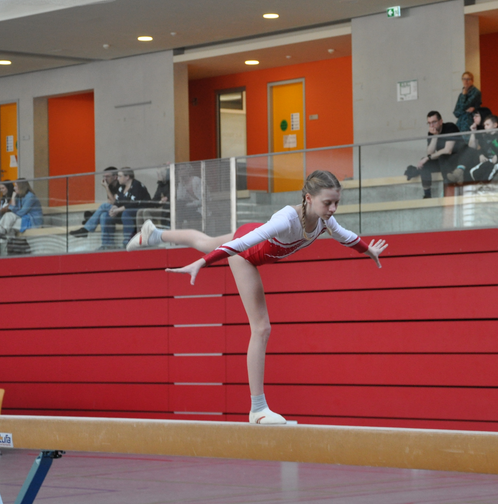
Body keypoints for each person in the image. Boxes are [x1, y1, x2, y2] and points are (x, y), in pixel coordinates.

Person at [126, 170, 388, 425]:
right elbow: (239, 246)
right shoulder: (286, 219)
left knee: (206, 242)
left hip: (249, 240)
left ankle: (153, 234)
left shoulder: (325, 221)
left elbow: (346, 237)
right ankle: (258, 408)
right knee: (261, 328)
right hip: (244, 253)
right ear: (308, 198)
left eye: (336, 203)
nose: (333, 209)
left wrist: (369, 251)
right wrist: (203, 263)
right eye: (327, 203)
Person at [416, 111, 465, 198]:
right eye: (429, 123)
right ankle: (427, 195)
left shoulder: (450, 127)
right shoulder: (431, 132)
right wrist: (435, 136)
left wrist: (428, 157)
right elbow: (430, 153)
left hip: (456, 159)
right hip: (443, 162)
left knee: (442, 156)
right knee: (425, 163)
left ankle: (447, 186)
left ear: (441, 121)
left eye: (434, 122)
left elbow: (448, 150)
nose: (432, 125)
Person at [101, 168, 151, 248]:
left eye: (120, 176)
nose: (118, 178)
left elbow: (133, 204)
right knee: (106, 216)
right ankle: (107, 245)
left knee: (126, 213)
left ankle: (128, 242)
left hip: (140, 212)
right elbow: (117, 202)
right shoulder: (121, 187)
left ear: (127, 177)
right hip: (125, 212)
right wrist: (113, 209)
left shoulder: (137, 185)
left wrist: (117, 210)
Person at [70, 167, 120, 237]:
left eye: (107, 176)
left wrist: (106, 187)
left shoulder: (121, 185)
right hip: (113, 211)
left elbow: (113, 202)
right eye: (104, 176)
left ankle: (86, 228)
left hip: (121, 211)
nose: (105, 179)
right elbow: (110, 202)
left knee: (104, 206)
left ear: (115, 177)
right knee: (103, 215)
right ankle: (106, 243)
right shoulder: (111, 186)